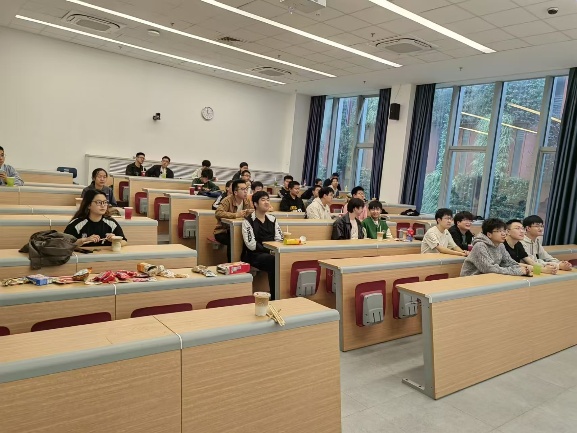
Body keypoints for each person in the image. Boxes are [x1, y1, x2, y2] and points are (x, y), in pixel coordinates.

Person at [241, 191, 283, 300]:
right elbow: (251, 245)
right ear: (255, 204)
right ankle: (275, 297)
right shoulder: (248, 221)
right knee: (274, 260)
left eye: (268, 200)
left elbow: (279, 238)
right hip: (254, 255)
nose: (266, 202)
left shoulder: (273, 219)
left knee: (283, 258)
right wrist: (270, 250)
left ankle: (284, 294)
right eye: (263, 200)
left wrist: (274, 250)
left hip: (271, 253)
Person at [460, 218, 532, 277]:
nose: (504, 234)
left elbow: (508, 262)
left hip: (489, 278)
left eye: (504, 231)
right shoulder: (480, 246)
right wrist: (517, 271)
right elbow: (488, 269)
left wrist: (523, 269)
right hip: (471, 279)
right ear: (489, 234)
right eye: (499, 231)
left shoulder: (500, 245)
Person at [214, 180, 254, 262]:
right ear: (235, 192)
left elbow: (252, 212)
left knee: (248, 240)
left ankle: (243, 263)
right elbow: (218, 213)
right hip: (223, 231)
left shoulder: (247, 201)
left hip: (240, 231)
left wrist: (251, 212)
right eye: (242, 189)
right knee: (233, 241)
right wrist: (235, 215)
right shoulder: (227, 200)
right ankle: (231, 264)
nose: (245, 191)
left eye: (246, 189)